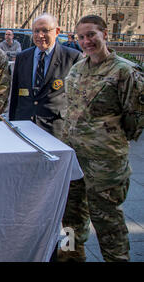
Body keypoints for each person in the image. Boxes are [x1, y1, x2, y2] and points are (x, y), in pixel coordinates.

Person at [58, 15, 143, 262]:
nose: (87, 41)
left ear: (104, 33)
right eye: (82, 37)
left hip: (105, 164)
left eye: (91, 35)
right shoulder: (77, 69)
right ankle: (71, 257)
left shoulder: (124, 71)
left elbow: (135, 119)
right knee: (69, 219)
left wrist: (104, 139)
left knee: (108, 223)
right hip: (74, 161)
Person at [9, 13, 83, 136]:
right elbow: (15, 95)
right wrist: (12, 122)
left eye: (45, 30)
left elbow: (78, 99)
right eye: (36, 31)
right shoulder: (23, 57)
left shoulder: (72, 58)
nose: (40, 35)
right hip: (23, 125)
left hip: (55, 127)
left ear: (57, 31)